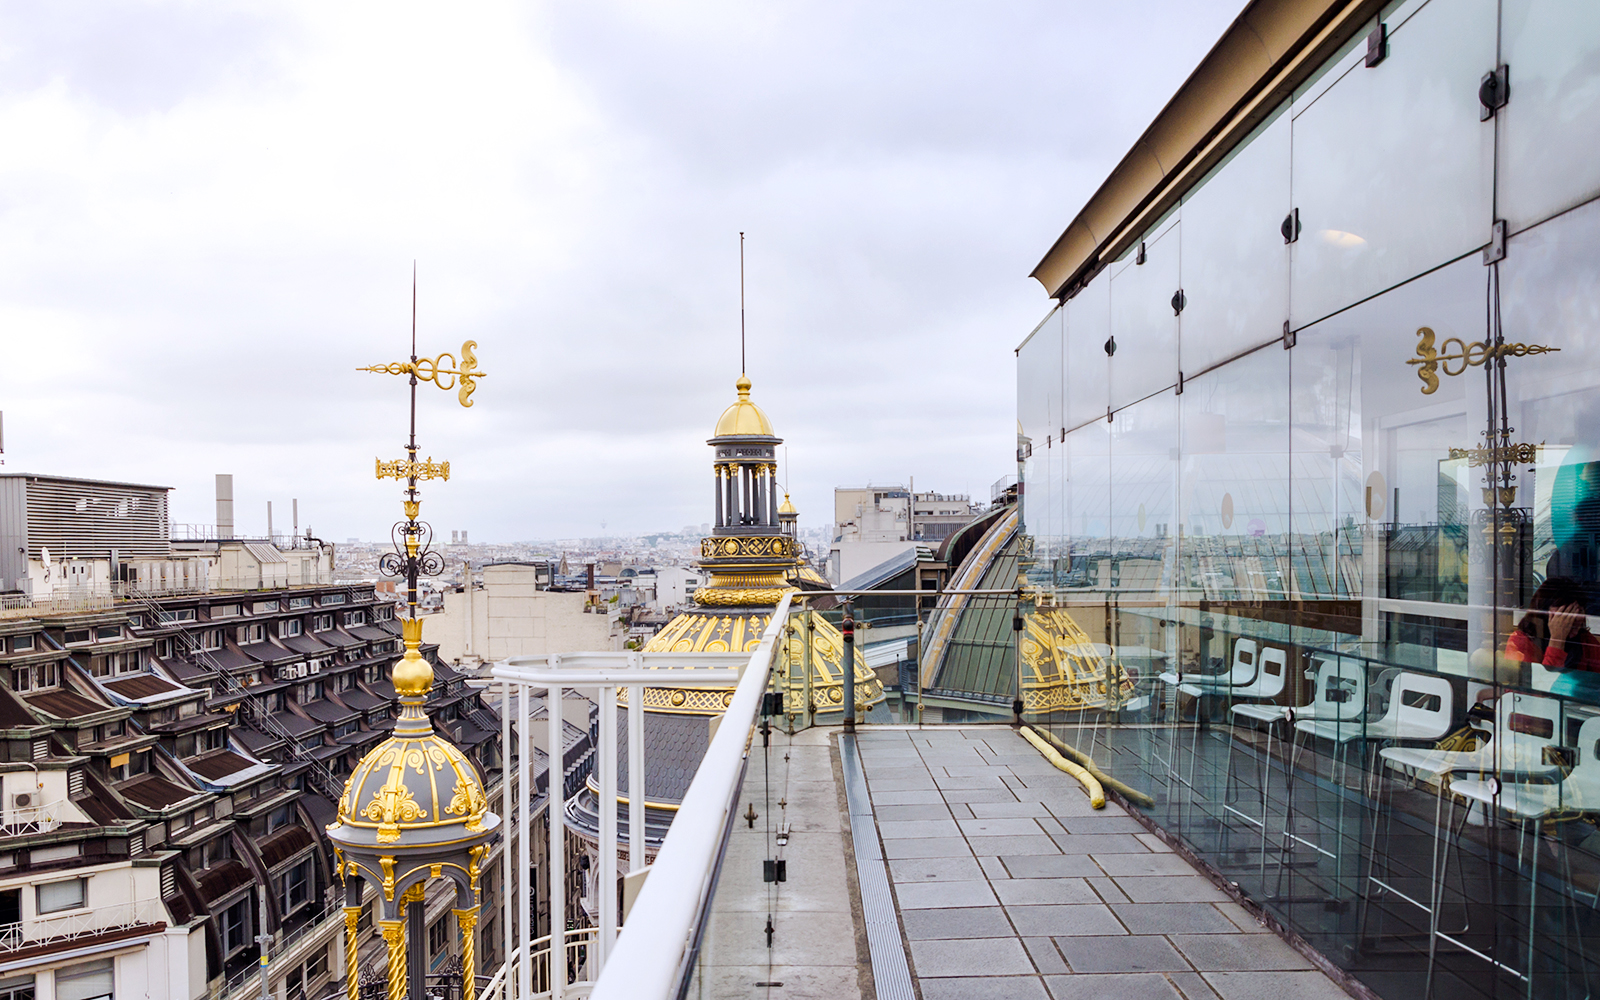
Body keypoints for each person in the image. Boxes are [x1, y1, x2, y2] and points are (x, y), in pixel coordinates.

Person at [1506, 576, 1600, 673]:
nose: (1575, 618)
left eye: (1579, 611)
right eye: (1565, 612)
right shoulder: (1521, 641)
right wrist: (1557, 639)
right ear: (1544, 612)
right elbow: (1540, 683)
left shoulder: (1585, 640)